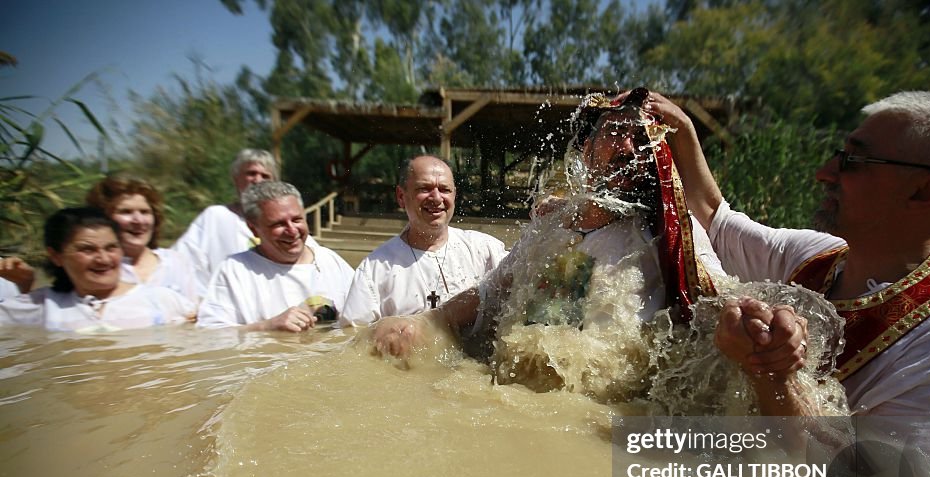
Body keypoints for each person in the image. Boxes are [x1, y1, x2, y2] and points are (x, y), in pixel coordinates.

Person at [645, 90, 930, 477]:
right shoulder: (819, 256)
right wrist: (683, 133)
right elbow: (716, 221)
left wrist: (773, 375)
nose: (824, 173)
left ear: (925, 191)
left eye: (854, 161)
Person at [365, 90, 812, 404]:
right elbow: (491, 292)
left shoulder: (669, 232)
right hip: (515, 401)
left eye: (643, 138)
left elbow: (715, 298)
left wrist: (763, 327)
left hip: (605, 419)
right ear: (584, 151)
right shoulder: (549, 225)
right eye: (616, 131)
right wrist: (426, 321)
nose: (630, 144)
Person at [339, 155, 508, 325]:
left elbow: (526, 277)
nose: (436, 198)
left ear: (454, 195)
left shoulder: (484, 250)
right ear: (400, 196)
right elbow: (353, 337)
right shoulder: (375, 269)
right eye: (424, 188)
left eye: (444, 189)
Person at [0, 208, 195, 332]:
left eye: (111, 247)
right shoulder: (43, 306)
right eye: (87, 249)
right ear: (56, 256)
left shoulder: (163, 301)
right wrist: (25, 285)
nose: (103, 259)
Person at [197, 181, 354, 332]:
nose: (292, 231)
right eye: (279, 224)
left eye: (297, 220)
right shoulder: (233, 270)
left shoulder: (330, 261)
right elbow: (209, 334)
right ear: (253, 229)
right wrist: (267, 327)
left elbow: (366, 316)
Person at [172, 149, 319, 296]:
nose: (257, 180)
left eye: (265, 176)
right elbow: (181, 263)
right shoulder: (216, 217)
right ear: (236, 178)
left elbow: (315, 266)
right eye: (251, 173)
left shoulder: (290, 227)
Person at [85, 175, 199, 302]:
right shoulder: (99, 268)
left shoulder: (176, 262)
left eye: (145, 212)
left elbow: (194, 312)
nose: (138, 220)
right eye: (126, 212)